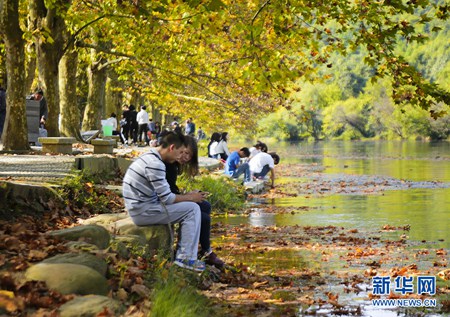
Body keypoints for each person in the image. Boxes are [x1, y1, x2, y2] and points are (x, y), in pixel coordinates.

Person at [122, 132, 206, 272]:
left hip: (143, 207)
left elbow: (165, 195)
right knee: (192, 209)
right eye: (180, 152)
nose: (180, 157)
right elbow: (167, 198)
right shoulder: (156, 164)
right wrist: (191, 198)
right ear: (172, 147)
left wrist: (187, 196)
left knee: (193, 206)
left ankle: (189, 255)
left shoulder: (149, 157)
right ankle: (185, 259)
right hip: (143, 212)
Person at [165, 135, 225, 268]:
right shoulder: (166, 164)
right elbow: (166, 195)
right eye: (184, 152)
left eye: (189, 155)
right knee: (204, 217)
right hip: (161, 205)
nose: (185, 157)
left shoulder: (174, 166)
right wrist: (189, 197)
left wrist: (188, 195)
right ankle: (202, 251)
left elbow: (170, 189)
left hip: (168, 199)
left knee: (205, 205)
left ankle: (199, 248)